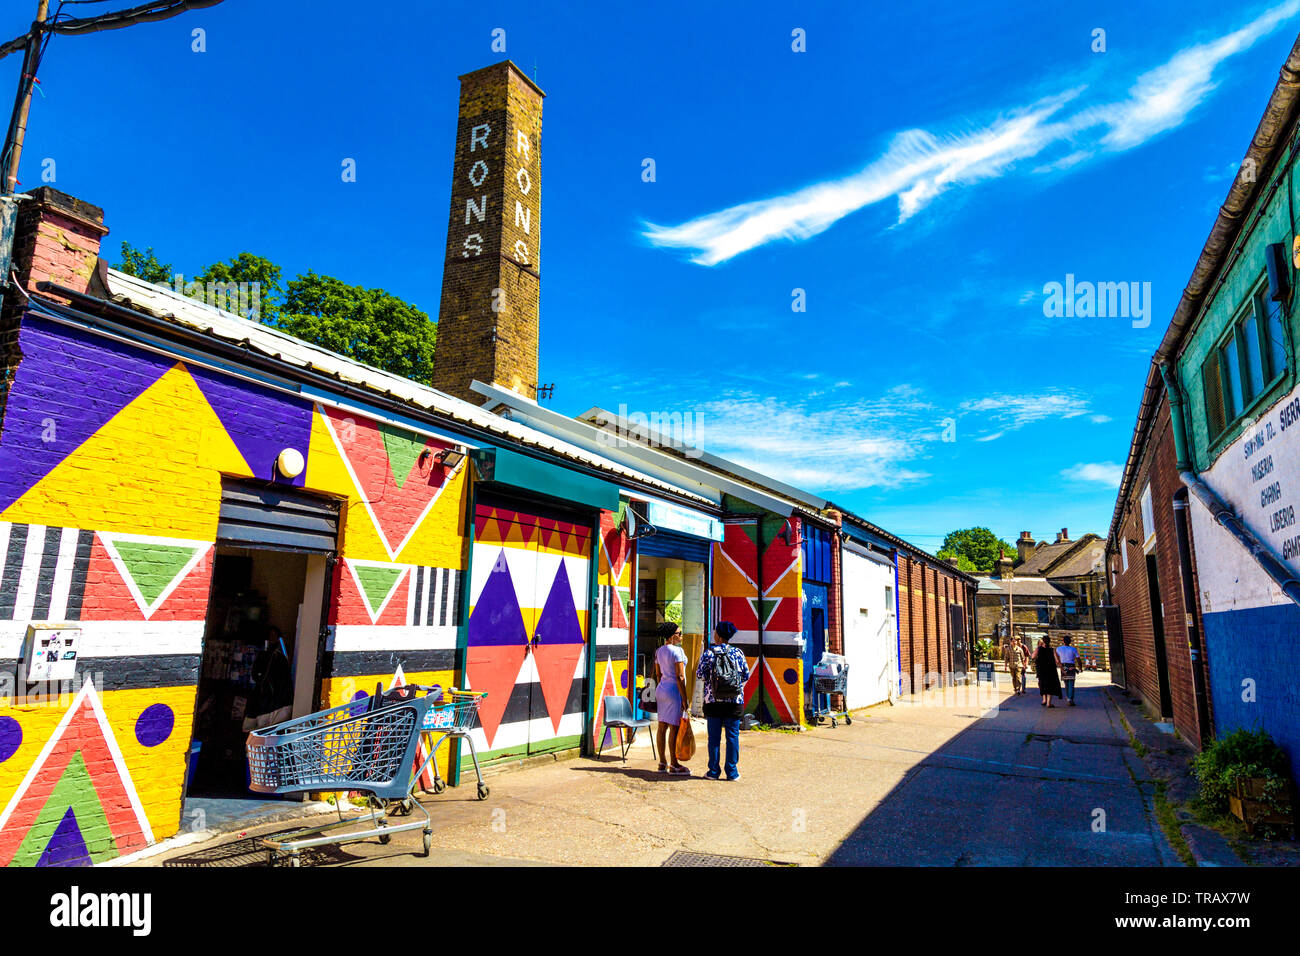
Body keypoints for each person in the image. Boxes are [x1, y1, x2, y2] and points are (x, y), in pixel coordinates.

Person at [695, 621, 751, 781]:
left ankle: (713, 771)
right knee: (732, 736)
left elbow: (700, 674)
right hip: (734, 701)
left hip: (713, 702)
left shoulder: (709, 653)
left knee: (714, 737)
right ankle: (732, 772)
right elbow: (746, 675)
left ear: (718, 635)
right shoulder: (738, 653)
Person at [653, 624, 690, 775]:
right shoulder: (678, 651)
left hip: (662, 689)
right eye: (678, 633)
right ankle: (674, 764)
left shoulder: (659, 651)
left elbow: (658, 674)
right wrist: (684, 698)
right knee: (674, 727)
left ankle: (662, 762)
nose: (681, 635)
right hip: (674, 691)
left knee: (662, 727)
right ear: (672, 635)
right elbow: (680, 676)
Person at [1034, 634, 1062, 708]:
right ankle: (1048, 703)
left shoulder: (1039, 648)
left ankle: (1044, 700)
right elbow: (1057, 661)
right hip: (1050, 669)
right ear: (1049, 642)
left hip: (1041, 669)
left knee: (1042, 683)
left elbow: (1033, 656)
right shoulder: (1052, 649)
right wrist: (1061, 667)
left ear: (1043, 641)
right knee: (1050, 685)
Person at [1056, 634, 1081, 706]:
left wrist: (1058, 664)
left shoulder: (1059, 649)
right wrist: (1080, 667)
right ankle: (1070, 698)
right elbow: (1078, 659)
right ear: (1070, 642)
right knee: (1071, 683)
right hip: (1071, 666)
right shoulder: (1073, 649)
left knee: (1066, 683)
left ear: (1063, 641)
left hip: (1063, 666)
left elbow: (1056, 658)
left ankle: (1068, 697)